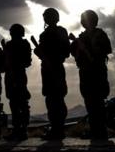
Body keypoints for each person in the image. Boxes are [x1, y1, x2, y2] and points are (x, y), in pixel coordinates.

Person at [70, 10, 112, 139]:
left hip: (97, 70)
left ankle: (101, 130)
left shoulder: (100, 34)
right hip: (85, 71)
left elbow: (104, 51)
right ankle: (95, 129)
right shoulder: (81, 37)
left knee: (98, 100)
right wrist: (76, 44)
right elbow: (74, 54)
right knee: (89, 100)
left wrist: (86, 48)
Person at [34, 8, 71, 140]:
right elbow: (41, 52)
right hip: (47, 69)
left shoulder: (60, 31)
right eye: (45, 16)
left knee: (58, 98)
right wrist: (39, 52)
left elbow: (66, 51)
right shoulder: (44, 34)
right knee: (50, 99)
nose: (45, 19)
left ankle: (59, 130)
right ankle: (55, 128)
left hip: (56, 67)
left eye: (47, 16)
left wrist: (52, 56)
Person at [2, 24, 32, 141]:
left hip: (18, 75)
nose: (10, 33)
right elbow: (4, 63)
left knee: (22, 102)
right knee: (14, 103)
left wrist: (13, 62)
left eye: (12, 31)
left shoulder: (24, 44)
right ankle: (17, 130)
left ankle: (22, 130)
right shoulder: (9, 45)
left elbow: (27, 62)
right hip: (10, 76)